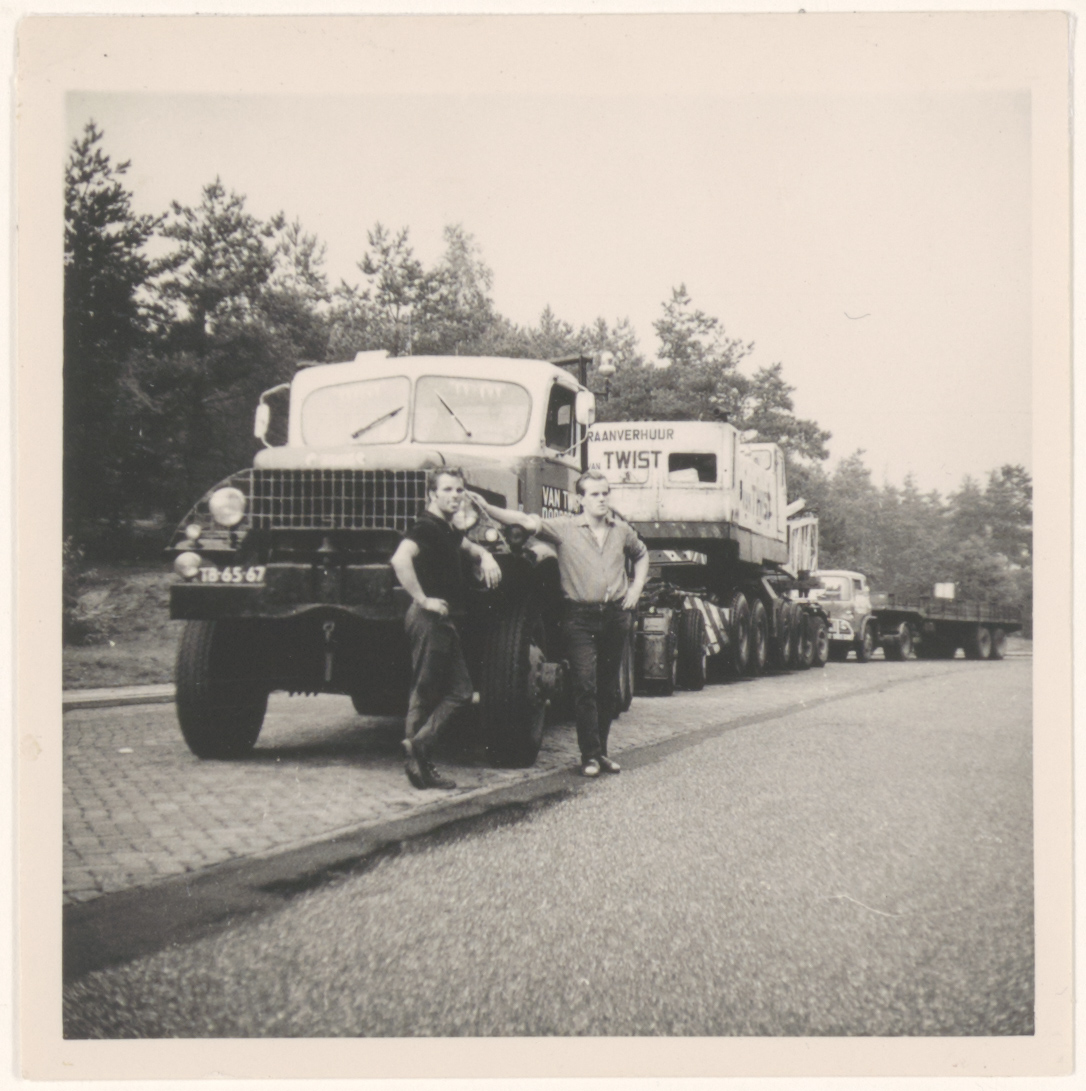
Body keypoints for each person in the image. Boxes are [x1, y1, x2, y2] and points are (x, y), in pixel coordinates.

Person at [468, 470, 649, 778]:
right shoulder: (564, 528)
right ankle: (589, 756)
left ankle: (602, 753)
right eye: (594, 494)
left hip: (615, 616)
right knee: (585, 685)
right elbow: (524, 521)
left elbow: (642, 554)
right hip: (579, 618)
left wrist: (635, 589)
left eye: (605, 493)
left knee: (607, 689)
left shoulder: (621, 530)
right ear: (580, 499)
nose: (602, 499)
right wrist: (487, 507)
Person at [390, 468, 502, 789]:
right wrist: (422, 599)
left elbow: (469, 547)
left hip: (442, 620)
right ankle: (419, 761)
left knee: (461, 692)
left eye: (459, 490)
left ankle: (418, 747)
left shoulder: (446, 528)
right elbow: (400, 560)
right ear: (432, 494)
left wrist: (486, 556)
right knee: (425, 691)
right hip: (429, 619)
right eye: (447, 490)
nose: (455, 496)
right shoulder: (425, 527)